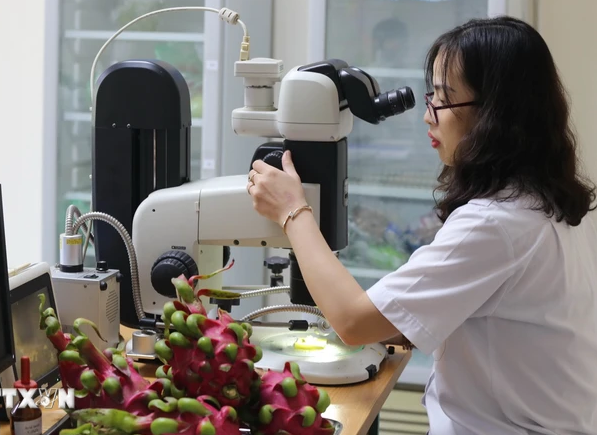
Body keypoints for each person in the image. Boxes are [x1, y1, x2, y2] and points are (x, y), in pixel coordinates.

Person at [246, 16, 597, 435]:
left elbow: (353, 323)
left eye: (444, 99)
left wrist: (292, 211)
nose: (428, 114)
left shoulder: (496, 223)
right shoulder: (549, 202)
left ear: (495, 116)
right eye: (431, 94)